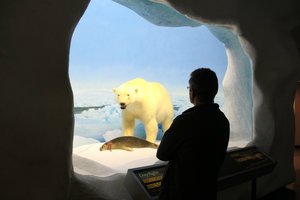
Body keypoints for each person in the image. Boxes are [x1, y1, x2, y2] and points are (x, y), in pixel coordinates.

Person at [156, 68, 230, 200]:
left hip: (181, 193)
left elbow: (162, 154)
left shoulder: (185, 121)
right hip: (207, 191)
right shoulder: (222, 120)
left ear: (192, 92)